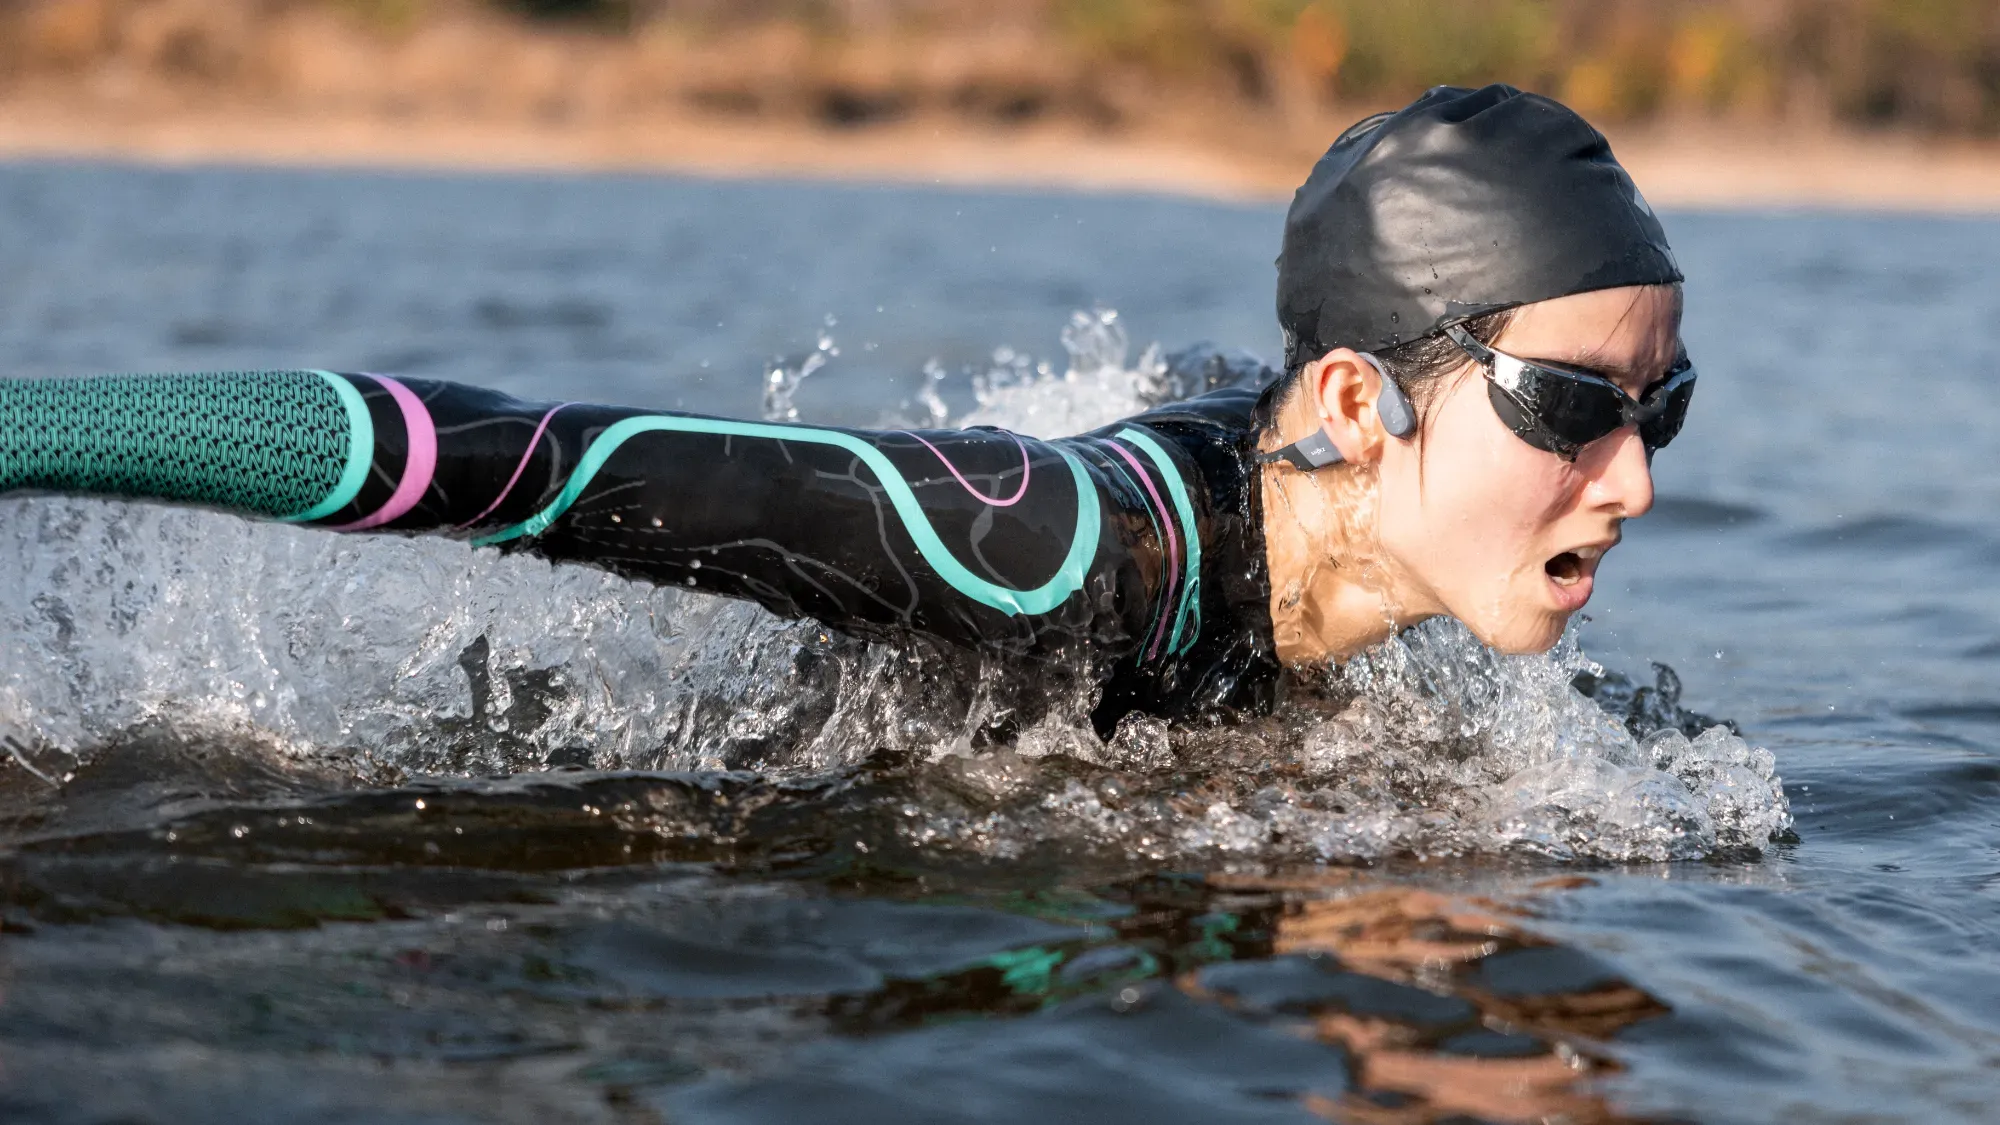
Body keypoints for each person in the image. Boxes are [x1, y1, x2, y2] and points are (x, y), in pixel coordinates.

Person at [0, 85, 1691, 738]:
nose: (1628, 484)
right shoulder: (1047, 548)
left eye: (1657, 409)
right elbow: (518, 460)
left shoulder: (1409, 555)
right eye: (1571, 409)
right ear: (1351, 400)